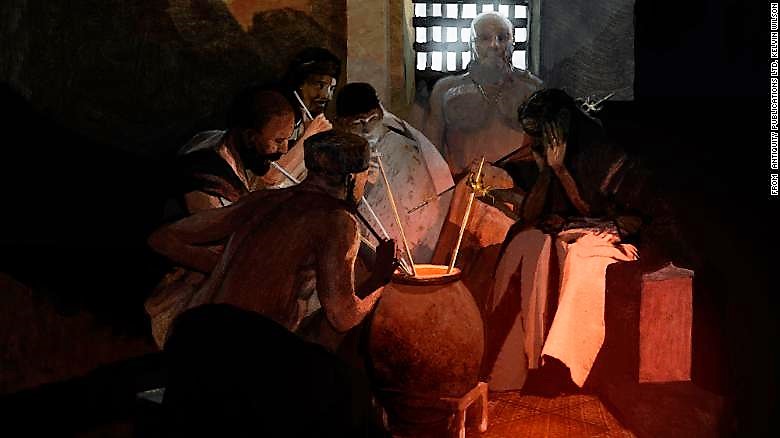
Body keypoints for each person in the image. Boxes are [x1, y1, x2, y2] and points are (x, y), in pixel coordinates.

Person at [148, 131, 397, 348]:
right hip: (249, 352)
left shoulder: (263, 199)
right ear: (352, 178)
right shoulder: (338, 220)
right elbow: (342, 317)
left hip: (198, 336)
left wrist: (235, 266)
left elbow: (161, 238)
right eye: (366, 176)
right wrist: (380, 278)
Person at [484, 89, 643, 392]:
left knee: (576, 257)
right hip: (571, 235)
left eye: (538, 133)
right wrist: (547, 172)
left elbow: (598, 210)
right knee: (528, 245)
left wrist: (560, 170)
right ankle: (521, 365)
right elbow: (530, 214)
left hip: (611, 240)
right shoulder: (548, 153)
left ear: (561, 123)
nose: (534, 141)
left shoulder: (599, 150)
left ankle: (560, 363)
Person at [423, 12, 542, 307]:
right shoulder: (446, 90)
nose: (494, 45)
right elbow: (430, 153)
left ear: (513, 42)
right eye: (485, 38)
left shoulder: (533, 90)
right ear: (470, 43)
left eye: (502, 38)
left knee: (511, 292)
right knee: (457, 291)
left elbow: (544, 155)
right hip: (459, 206)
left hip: (515, 204)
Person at [334, 82, 454, 264]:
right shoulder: (334, 152)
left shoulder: (403, 148)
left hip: (409, 242)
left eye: (372, 119)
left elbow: (421, 204)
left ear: (381, 114)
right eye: (357, 123)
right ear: (341, 124)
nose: (367, 129)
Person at [172, 87, 295, 213]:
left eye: (288, 139)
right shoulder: (209, 183)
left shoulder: (223, 139)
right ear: (249, 137)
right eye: (278, 141)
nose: (285, 149)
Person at [260, 47, 340, 188]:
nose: (327, 96)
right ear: (300, 83)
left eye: (331, 88)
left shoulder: (307, 120)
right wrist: (309, 136)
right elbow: (270, 179)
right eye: (320, 85)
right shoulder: (277, 116)